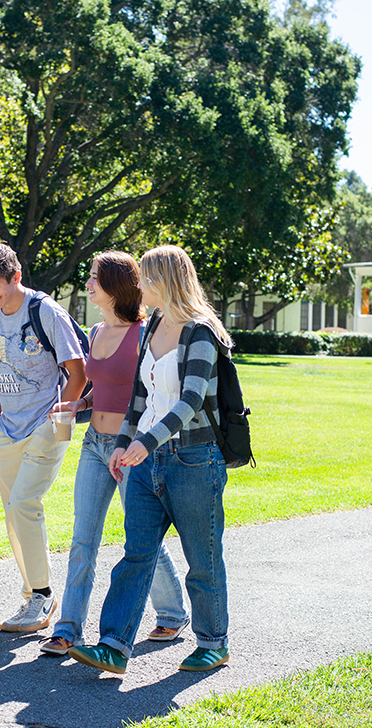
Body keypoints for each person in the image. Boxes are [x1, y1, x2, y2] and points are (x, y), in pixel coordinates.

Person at [68, 245, 232, 674]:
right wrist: (125, 442)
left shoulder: (201, 331)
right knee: (136, 554)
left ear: (166, 280)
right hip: (144, 457)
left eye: (146, 278)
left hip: (193, 459)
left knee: (203, 557)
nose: (139, 286)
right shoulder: (153, 324)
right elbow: (139, 398)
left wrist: (149, 441)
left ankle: (214, 642)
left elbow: (192, 398)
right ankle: (113, 645)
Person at [39, 252, 189, 656]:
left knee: (141, 538)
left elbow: (150, 392)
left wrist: (139, 443)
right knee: (82, 538)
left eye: (94, 279)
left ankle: (173, 614)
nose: (87, 285)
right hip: (94, 446)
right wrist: (78, 406)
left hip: (132, 449)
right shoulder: (95, 330)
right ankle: (69, 628)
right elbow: (99, 388)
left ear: (116, 286)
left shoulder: (145, 332)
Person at [0, 243, 86, 633]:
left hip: (45, 423)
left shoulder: (44, 310)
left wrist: (60, 414)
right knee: (13, 515)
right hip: (8, 430)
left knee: (25, 503)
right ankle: (31, 595)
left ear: (16, 277)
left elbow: (78, 371)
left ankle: (42, 594)